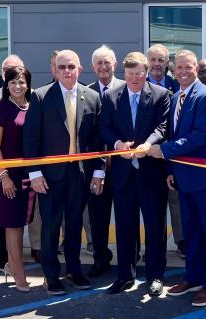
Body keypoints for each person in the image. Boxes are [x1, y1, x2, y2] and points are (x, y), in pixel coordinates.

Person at [23, 50, 104, 296]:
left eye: (71, 66)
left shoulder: (92, 97)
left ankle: (74, 270)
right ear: (54, 70)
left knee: (75, 224)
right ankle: (51, 275)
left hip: (79, 174)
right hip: (49, 176)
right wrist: (35, 172)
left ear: (80, 69)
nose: (67, 71)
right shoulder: (40, 96)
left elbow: (97, 139)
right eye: (62, 67)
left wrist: (99, 171)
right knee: (50, 226)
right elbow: (31, 137)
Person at [147, 49, 206, 307]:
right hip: (183, 177)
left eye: (187, 67)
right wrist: (170, 169)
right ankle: (193, 277)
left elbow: (200, 136)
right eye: (177, 67)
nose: (182, 72)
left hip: (205, 180)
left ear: (196, 69)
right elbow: (173, 133)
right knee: (191, 231)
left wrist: (164, 152)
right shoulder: (176, 96)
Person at [100, 52, 169, 296]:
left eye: (140, 73)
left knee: (154, 227)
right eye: (130, 74)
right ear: (124, 74)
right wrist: (117, 144)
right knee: (125, 228)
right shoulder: (110, 97)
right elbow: (104, 127)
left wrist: (147, 145)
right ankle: (125, 276)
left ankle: (155, 276)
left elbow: (163, 127)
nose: (135, 78)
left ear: (147, 71)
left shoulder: (160, 95)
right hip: (123, 175)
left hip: (151, 173)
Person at [0, 66, 33, 292]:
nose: (17, 86)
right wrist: (4, 176)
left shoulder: (32, 106)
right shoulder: (0, 108)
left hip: (29, 174)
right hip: (6, 175)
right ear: (6, 85)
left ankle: (10, 264)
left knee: (22, 222)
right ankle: (19, 274)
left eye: (22, 82)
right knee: (13, 225)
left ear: (28, 84)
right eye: (13, 82)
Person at [86, 45, 124, 278]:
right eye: (99, 62)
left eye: (107, 62)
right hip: (94, 170)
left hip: (123, 167)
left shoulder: (127, 89)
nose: (103, 66)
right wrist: (97, 168)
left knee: (126, 215)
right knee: (97, 217)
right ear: (93, 67)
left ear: (115, 64)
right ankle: (101, 258)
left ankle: (130, 258)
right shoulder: (87, 93)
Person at [146, 44, 184, 258]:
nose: (157, 64)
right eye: (153, 59)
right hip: (147, 155)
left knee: (176, 201)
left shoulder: (176, 85)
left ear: (167, 64)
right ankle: (151, 246)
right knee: (150, 205)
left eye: (161, 60)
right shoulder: (137, 84)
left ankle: (181, 241)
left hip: (172, 153)